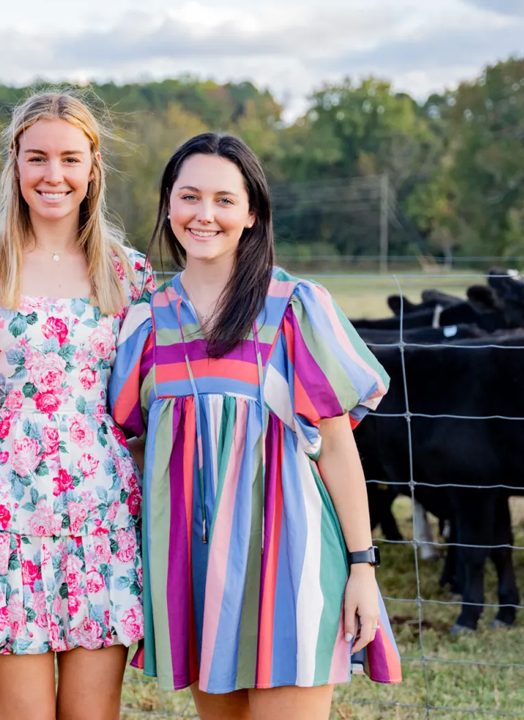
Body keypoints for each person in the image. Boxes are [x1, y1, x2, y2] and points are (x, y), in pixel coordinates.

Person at [109, 133, 402, 720]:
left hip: (291, 563)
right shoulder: (144, 322)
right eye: (189, 196)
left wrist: (363, 568)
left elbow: (338, 450)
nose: (205, 214)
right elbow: (139, 448)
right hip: (195, 570)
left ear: (251, 214)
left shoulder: (294, 307)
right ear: (169, 205)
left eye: (224, 199)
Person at [0, 91, 153, 720]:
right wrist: (15, 398)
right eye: (37, 157)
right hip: (3, 509)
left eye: (69, 158)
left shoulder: (128, 271)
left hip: (100, 511)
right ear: (14, 161)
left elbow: (139, 393)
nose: (53, 175)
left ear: (93, 166)